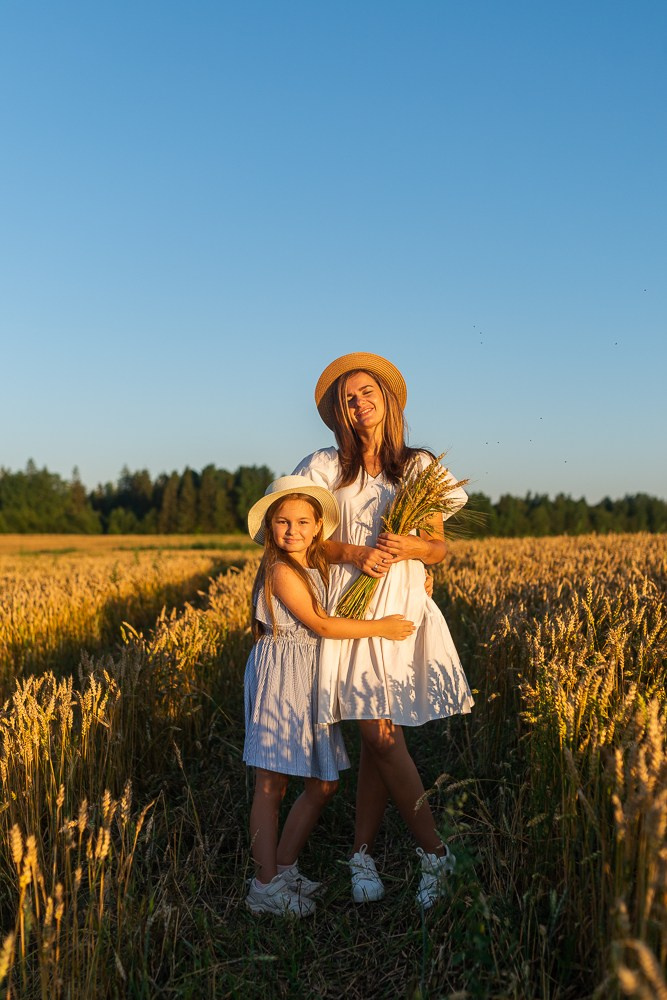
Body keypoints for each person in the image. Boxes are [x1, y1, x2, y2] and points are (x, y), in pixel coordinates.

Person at [292, 352, 474, 909]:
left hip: (401, 606)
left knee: (379, 736)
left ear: (387, 400)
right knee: (376, 731)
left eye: (367, 392)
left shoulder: (418, 466)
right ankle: (435, 856)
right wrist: (354, 551)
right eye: (349, 398)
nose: (359, 402)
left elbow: (438, 547)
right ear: (340, 413)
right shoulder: (325, 467)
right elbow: (302, 537)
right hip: (351, 606)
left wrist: (409, 546)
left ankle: (364, 855)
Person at [243, 476, 416, 917]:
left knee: (323, 783)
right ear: (268, 527)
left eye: (303, 521)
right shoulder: (281, 571)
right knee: (271, 784)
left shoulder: (316, 558)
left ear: (319, 526)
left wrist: (409, 575)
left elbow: (343, 555)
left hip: (310, 679)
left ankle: (283, 867)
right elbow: (321, 624)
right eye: (282, 521)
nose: (293, 530)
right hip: (281, 677)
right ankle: (264, 887)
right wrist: (383, 627)